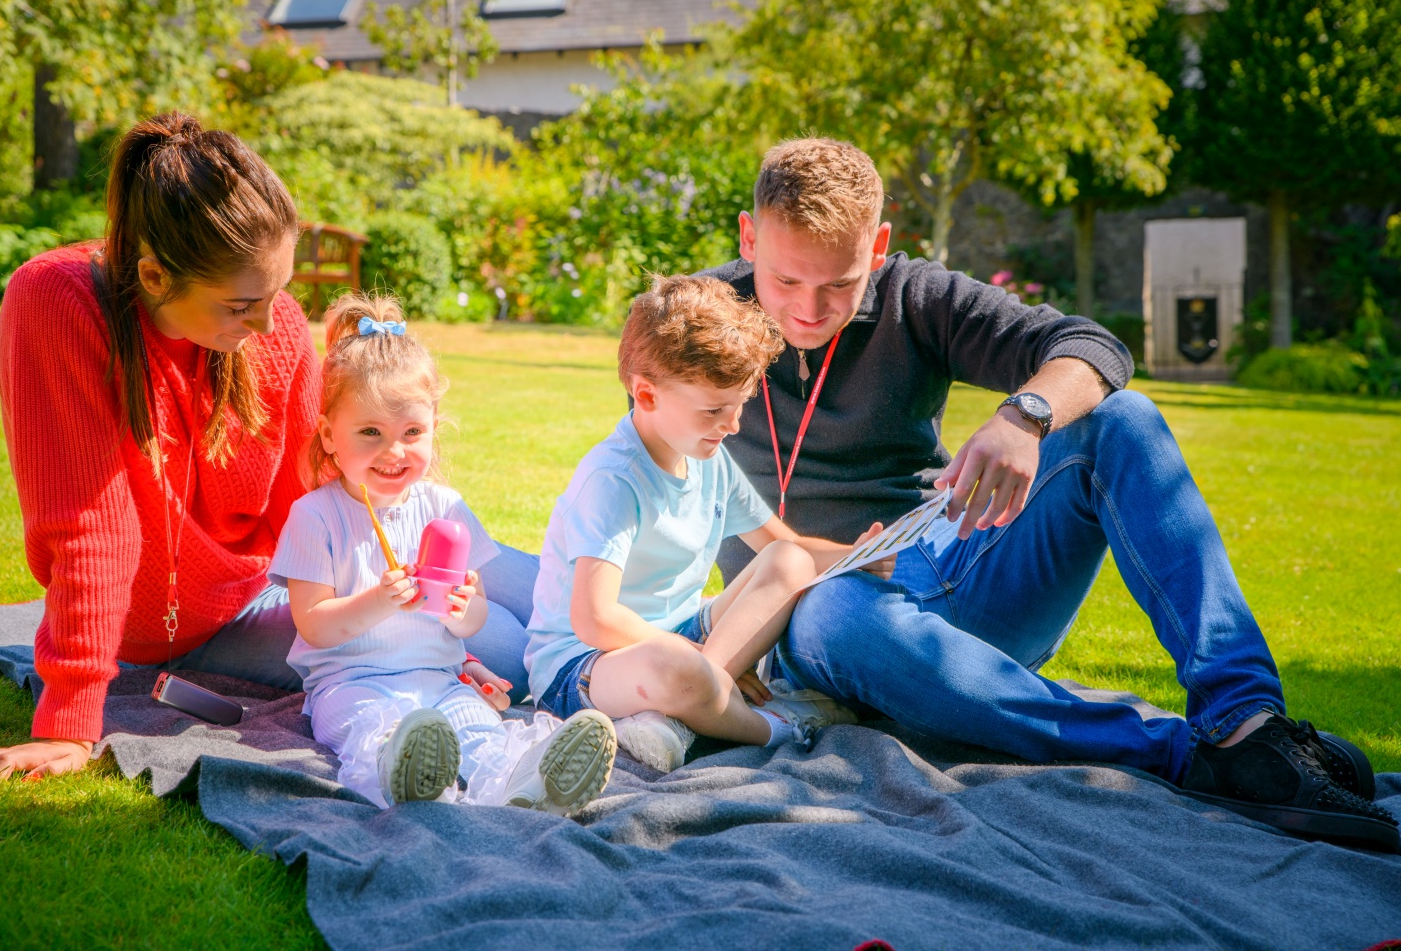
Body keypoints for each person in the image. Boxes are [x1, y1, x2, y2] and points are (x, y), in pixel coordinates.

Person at [696, 137, 1396, 852]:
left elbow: (1095, 348)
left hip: (952, 567)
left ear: (877, 247)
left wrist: (1024, 417)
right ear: (750, 238)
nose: (811, 310)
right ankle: (1185, 754)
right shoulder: (695, 320)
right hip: (808, 616)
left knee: (1119, 419)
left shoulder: (917, 296)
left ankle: (1249, 731)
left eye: (839, 285)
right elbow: (650, 493)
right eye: (786, 283)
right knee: (831, 611)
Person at [0, 113, 517, 782]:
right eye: (240, 305)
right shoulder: (57, 302)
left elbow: (314, 502)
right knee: (507, 646)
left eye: (277, 294)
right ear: (156, 277)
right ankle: (597, 675)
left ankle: (639, 656)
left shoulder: (269, 322)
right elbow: (91, 528)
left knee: (495, 592)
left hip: (269, 592)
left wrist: (427, 650)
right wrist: (69, 723)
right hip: (178, 630)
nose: (270, 322)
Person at [269, 293, 616, 812]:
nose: (394, 452)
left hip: (439, 679)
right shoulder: (316, 516)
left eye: (412, 432)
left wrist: (465, 609)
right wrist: (379, 601)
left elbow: (471, 617)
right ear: (329, 435)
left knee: (481, 729)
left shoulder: (444, 506)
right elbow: (315, 625)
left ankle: (527, 783)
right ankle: (402, 773)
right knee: (374, 732)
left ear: (434, 426)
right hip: (351, 685)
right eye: (371, 433)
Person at [525, 275, 880, 774]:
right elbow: (595, 619)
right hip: (588, 662)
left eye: (739, 407)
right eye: (715, 410)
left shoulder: (707, 456)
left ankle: (681, 716)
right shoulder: (613, 480)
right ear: (645, 395)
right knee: (679, 672)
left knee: (789, 562)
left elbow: (785, 547)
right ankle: (777, 725)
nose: (733, 426)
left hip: (683, 638)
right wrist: (698, 661)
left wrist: (858, 555)